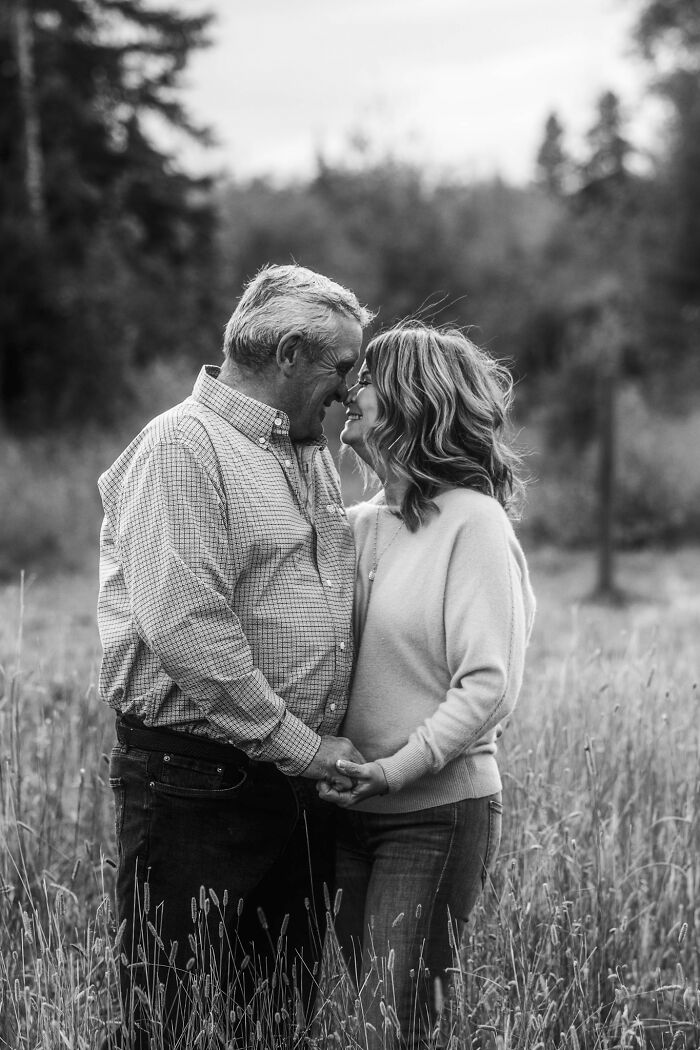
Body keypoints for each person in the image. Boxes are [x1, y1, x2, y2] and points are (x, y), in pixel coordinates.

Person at [96, 263, 374, 1045]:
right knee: (170, 1021)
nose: (350, 390)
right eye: (343, 366)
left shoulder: (304, 452)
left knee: (277, 1019)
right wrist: (305, 747)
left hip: (293, 785)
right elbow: (189, 630)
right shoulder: (182, 446)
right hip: (197, 783)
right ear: (288, 355)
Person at [318, 324, 536, 1046]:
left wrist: (394, 769)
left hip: (433, 816)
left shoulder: (474, 524)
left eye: (367, 379)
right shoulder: (355, 526)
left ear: (411, 399)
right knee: (371, 1022)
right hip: (347, 810)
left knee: (395, 1026)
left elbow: (488, 686)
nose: (349, 391)